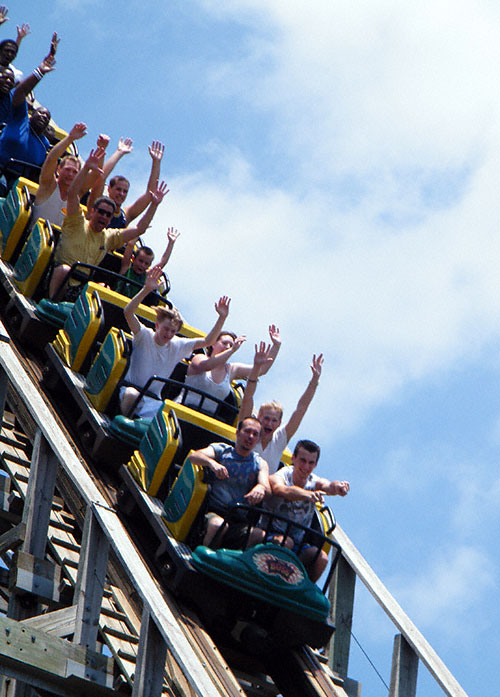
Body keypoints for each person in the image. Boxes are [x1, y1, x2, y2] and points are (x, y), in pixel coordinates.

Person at [49, 146, 168, 299]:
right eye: (101, 212)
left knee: (104, 288)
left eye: (108, 215)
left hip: (81, 284)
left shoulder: (108, 236)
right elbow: (73, 193)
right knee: (64, 270)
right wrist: (86, 168)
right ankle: (53, 302)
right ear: (92, 211)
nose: (104, 217)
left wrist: (154, 204)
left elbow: (140, 228)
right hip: (60, 275)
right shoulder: (76, 221)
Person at [120, 264, 234, 419]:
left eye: (173, 331)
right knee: (132, 394)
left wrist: (222, 318)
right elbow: (128, 312)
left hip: (153, 401)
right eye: (166, 329)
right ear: (157, 325)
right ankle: (124, 422)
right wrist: (146, 290)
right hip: (131, 390)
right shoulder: (144, 335)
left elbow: (208, 341)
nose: (169, 334)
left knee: (171, 416)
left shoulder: (178, 345)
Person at [263, 439, 349, 581]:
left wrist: (337, 487)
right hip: (271, 534)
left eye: (311, 463)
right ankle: (272, 581)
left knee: (321, 557)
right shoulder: (283, 474)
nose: (306, 466)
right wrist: (307, 495)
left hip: (298, 544)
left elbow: (327, 485)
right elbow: (281, 489)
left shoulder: (314, 481)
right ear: (293, 458)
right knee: (286, 542)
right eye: (302, 460)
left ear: (315, 465)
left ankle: (302, 591)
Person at [239, 348, 324, 474]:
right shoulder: (248, 431)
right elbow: (247, 398)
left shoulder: (279, 439)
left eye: (274, 421)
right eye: (266, 419)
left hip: (263, 488)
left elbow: (301, 409)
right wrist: (256, 368)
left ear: (279, 423)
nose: (269, 424)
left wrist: (314, 381)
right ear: (258, 417)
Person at [189, 416, 271, 546]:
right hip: (213, 511)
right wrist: (212, 463)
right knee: (218, 525)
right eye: (247, 431)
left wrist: (261, 488)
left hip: (238, 519)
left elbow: (266, 487)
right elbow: (194, 456)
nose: (250, 436)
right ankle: (204, 556)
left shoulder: (259, 463)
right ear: (238, 433)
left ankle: (232, 563)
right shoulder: (222, 450)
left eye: (255, 434)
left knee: (259, 535)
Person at [0, 34, 59, 192]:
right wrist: (40, 72)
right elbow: (21, 92)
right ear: (32, 114)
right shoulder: (20, 118)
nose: (44, 117)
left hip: (19, 187)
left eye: (47, 117)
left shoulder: (44, 144)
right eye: (41, 113)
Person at [180, 325, 281, 416]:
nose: (228, 347)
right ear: (213, 344)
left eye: (231, 345)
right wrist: (232, 350)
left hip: (208, 421)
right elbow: (206, 366)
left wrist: (276, 346)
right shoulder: (200, 357)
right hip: (183, 411)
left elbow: (261, 370)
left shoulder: (232, 369)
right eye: (224, 343)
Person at [88, 139, 165, 229]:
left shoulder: (125, 215)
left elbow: (150, 194)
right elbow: (100, 178)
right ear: (109, 189)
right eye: (118, 189)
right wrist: (119, 153)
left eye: (125, 191)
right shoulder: (98, 204)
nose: (121, 194)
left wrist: (156, 162)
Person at [31, 122, 87, 227]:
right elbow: (51, 159)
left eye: (75, 172)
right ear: (59, 170)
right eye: (67, 170)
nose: (70, 174)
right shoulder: (49, 185)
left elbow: (96, 178)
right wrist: (70, 138)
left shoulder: (75, 197)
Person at [115, 227, 180, 299]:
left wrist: (171, 243)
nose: (142, 265)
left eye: (146, 264)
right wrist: (140, 230)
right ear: (133, 259)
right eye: (140, 261)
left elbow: (163, 262)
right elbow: (130, 245)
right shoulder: (126, 267)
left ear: (149, 265)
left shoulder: (146, 275)